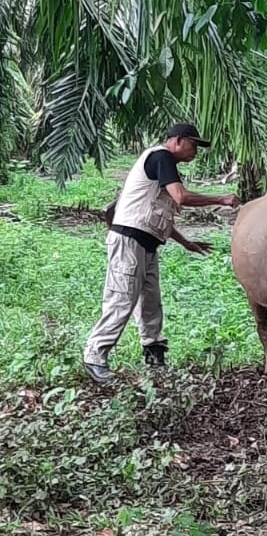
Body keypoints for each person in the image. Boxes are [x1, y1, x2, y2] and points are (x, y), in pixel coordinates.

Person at [83, 124, 240, 384]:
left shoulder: (162, 165)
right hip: (129, 241)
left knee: (150, 303)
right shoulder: (161, 157)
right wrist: (220, 199)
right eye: (193, 145)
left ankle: (154, 354)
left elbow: (160, 214)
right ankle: (94, 356)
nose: (196, 152)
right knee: (121, 299)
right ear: (177, 141)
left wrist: (186, 242)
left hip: (146, 243)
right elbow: (180, 197)